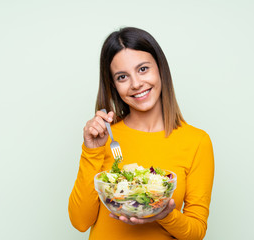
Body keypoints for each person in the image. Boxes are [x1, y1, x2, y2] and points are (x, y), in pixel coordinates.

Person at [68, 27, 214, 240]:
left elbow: (196, 232)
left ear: (160, 69)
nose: (136, 84)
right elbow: (80, 222)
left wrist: (164, 214)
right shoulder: (105, 139)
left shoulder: (196, 141)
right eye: (122, 77)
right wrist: (92, 151)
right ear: (113, 85)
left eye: (143, 69)